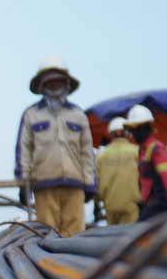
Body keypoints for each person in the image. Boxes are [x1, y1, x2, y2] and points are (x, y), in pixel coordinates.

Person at [13, 54, 98, 237]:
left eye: (58, 82)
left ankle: (74, 266)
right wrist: (22, 182)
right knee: (47, 236)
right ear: (41, 85)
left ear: (67, 84)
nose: (54, 86)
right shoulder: (31, 115)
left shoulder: (78, 115)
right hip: (44, 184)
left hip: (75, 185)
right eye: (50, 82)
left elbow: (86, 152)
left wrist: (90, 184)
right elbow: (23, 151)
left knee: (75, 235)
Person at [124, 104, 167, 221]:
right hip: (151, 203)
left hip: (162, 201)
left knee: (140, 232)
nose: (133, 134)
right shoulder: (142, 150)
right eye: (132, 130)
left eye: (135, 129)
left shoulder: (156, 148)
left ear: (145, 128)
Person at [95, 117, 140, 226]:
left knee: (114, 239)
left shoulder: (100, 156)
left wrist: (97, 203)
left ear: (111, 134)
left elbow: (96, 183)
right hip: (133, 205)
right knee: (132, 239)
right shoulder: (137, 152)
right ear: (128, 133)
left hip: (110, 206)